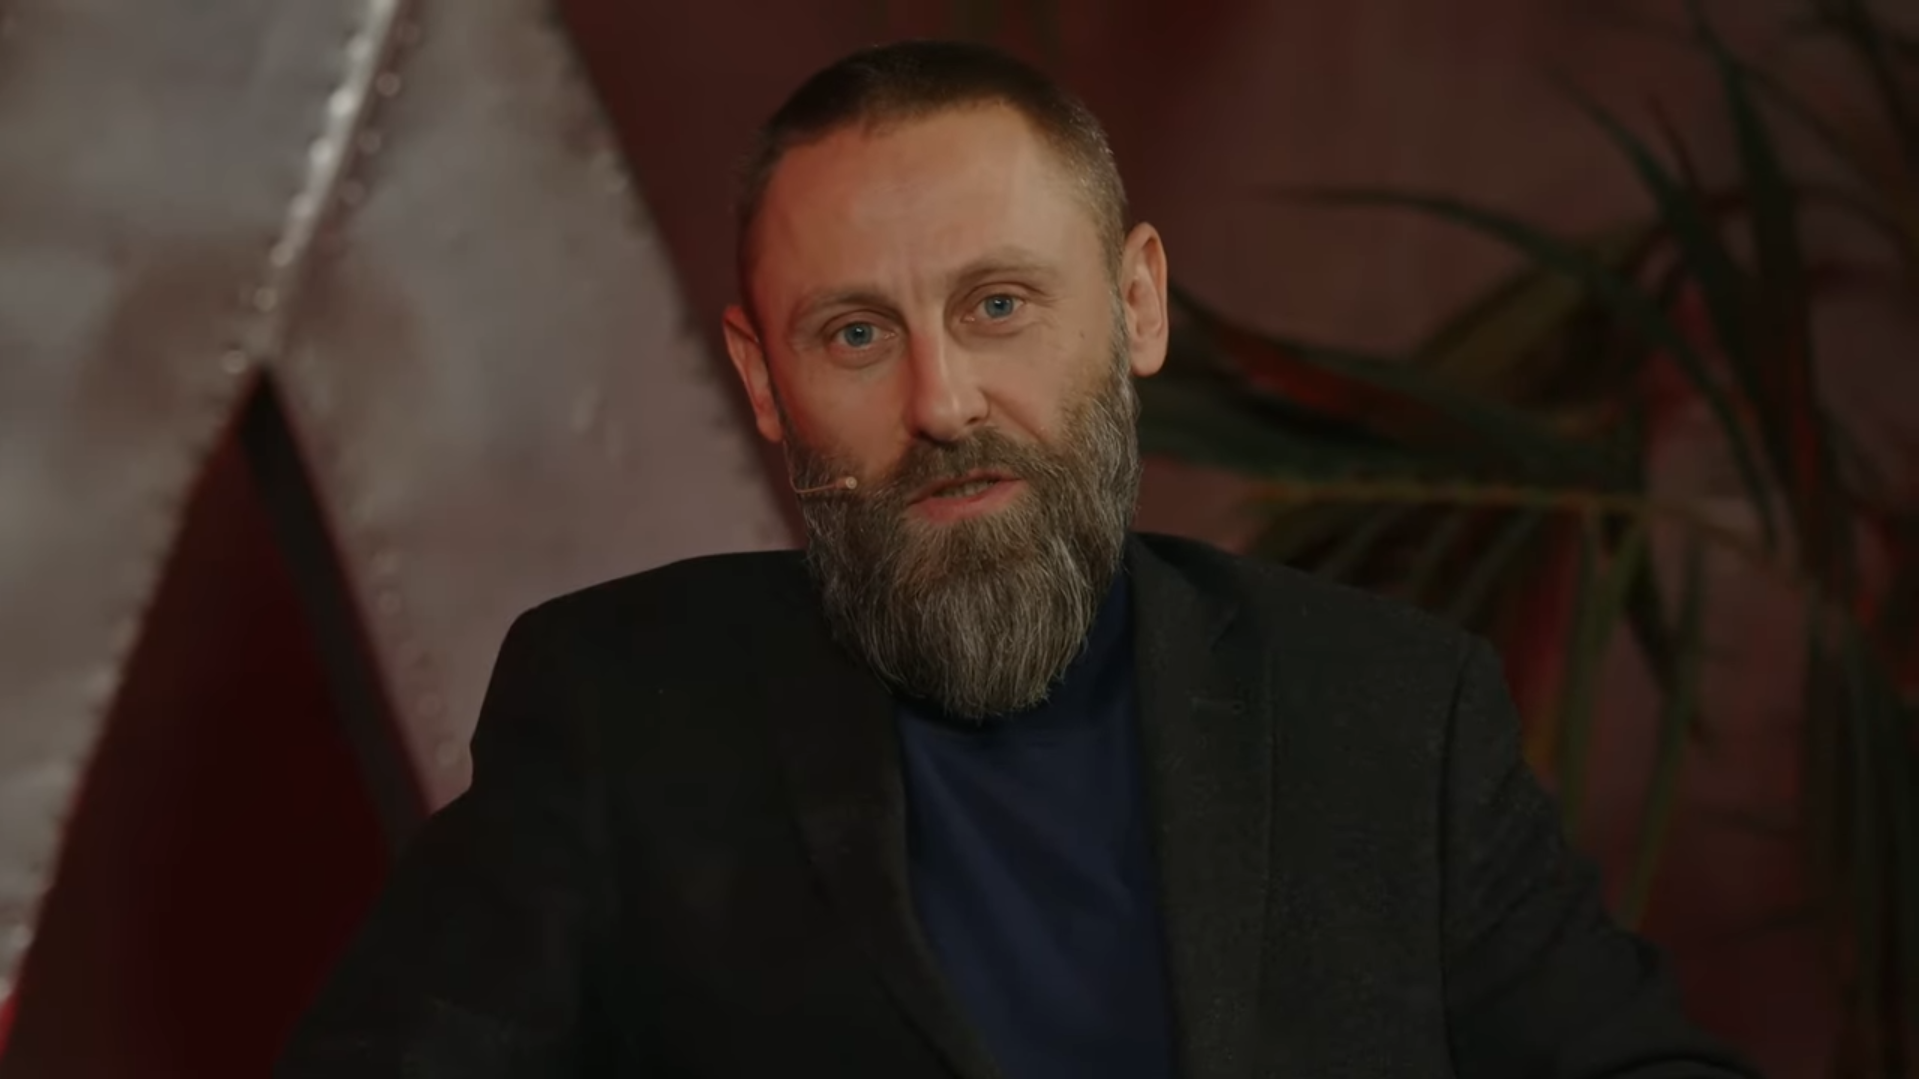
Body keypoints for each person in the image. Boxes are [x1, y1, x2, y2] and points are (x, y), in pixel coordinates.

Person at [278, 40, 1758, 1079]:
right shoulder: (620, 708)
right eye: (855, 333)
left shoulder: (1388, 714)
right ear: (762, 379)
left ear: (1136, 306)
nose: (941, 403)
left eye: (997, 306)